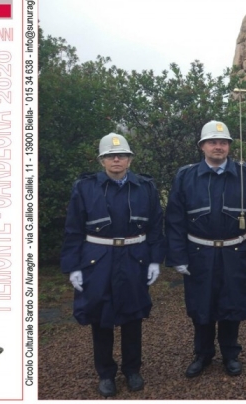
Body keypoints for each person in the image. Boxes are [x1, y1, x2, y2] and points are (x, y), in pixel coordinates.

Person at [60, 132, 165, 397]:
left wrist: (155, 260)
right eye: (110, 155)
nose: (116, 159)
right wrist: (73, 266)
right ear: (102, 160)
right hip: (98, 261)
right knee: (101, 319)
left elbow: (155, 227)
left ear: (130, 159)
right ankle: (106, 373)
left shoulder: (145, 187)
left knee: (133, 318)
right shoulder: (85, 188)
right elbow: (73, 229)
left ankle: (132, 370)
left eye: (121, 155)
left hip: (134, 259)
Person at [165, 120, 246, 378]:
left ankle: (230, 354)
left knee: (232, 304)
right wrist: (177, 256)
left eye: (223, 142)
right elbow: (175, 219)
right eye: (213, 142)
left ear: (229, 146)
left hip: (235, 252)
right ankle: (202, 354)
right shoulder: (186, 176)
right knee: (201, 307)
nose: (218, 146)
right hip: (199, 253)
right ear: (202, 146)